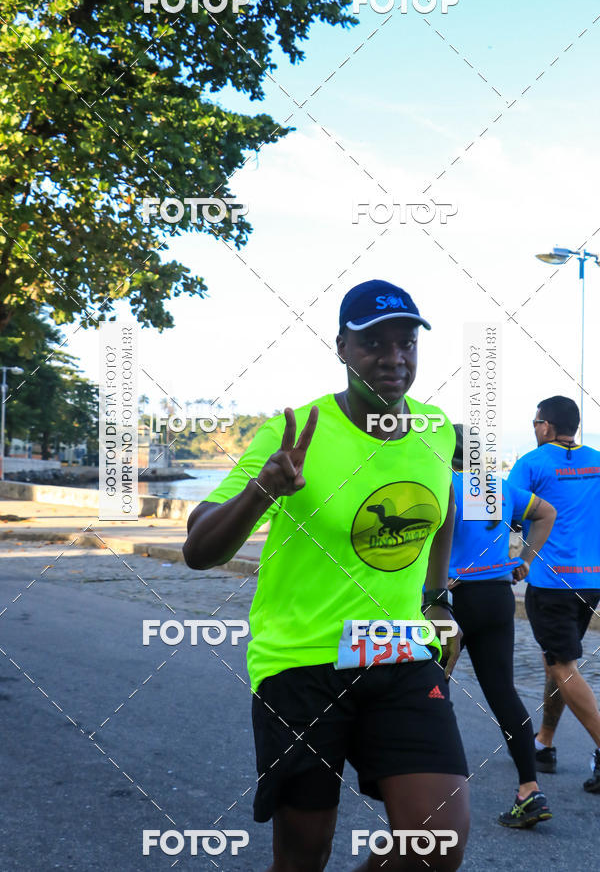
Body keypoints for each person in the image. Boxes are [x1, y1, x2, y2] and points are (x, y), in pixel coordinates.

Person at [183, 279, 470, 871]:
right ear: (341, 347)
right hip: (302, 658)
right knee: (302, 856)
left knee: (437, 843)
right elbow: (198, 549)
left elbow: (441, 511)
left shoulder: (437, 429)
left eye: (407, 343)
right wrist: (264, 489)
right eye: (375, 344)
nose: (394, 359)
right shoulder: (292, 432)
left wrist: (437, 598)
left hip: (399, 652)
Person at [448, 424, 556, 828]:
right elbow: (547, 513)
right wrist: (525, 560)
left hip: (451, 601)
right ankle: (529, 788)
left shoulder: (442, 484)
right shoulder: (498, 485)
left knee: (431, 689)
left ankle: (435, 789)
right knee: (503, 692)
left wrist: (437, 584)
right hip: (496, 597)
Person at [509, 395, 600, 793]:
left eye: (535, 422)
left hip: (551, 582)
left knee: (562, 666)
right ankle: (544, 742)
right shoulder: (597, 459)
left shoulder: (532, 463)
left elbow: (504, 512)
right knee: (557, 663)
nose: (533, 428)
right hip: (591, 580)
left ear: (546, 426)